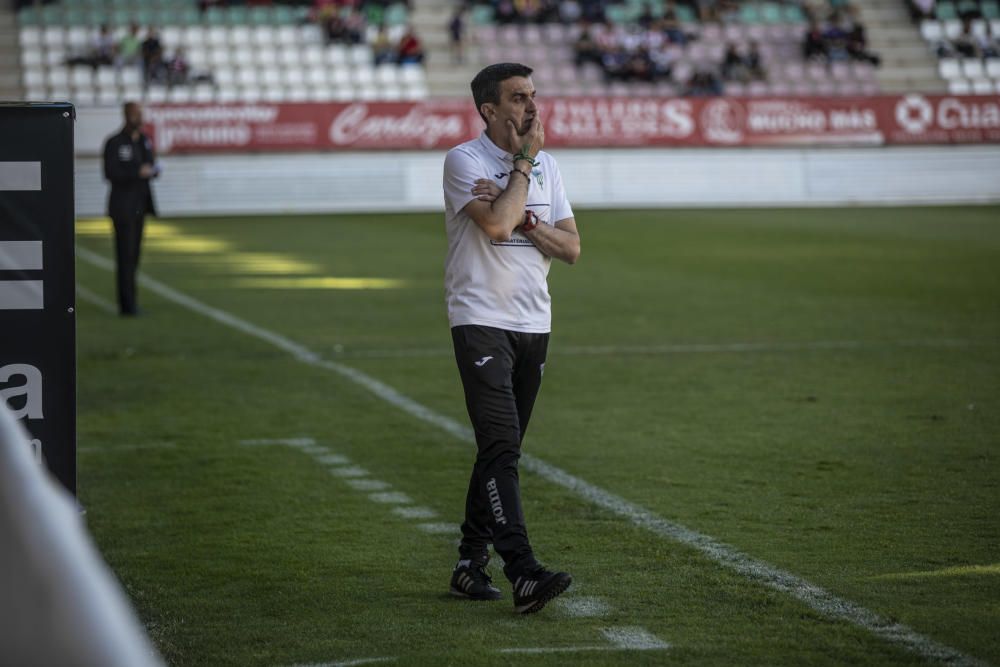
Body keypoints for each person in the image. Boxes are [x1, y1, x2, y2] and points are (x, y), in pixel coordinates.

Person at [441, 63, 580, 614]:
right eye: (518, 97)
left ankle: (469, 564)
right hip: (479, 317)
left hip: (533, 323)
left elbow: (569, 249)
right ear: (489, 110)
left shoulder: (549, 166)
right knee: (501, 447)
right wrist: (520, 172)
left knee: (502, 448)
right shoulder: (464, 161)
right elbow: (495, 225)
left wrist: (525, 219)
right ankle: (522, 571)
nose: (532, 107)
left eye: (534, 95)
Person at [102, 102, 159, 316]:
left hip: (140, 207)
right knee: (125, 256)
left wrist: (152, 171)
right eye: (136, 114)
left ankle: (131, 300)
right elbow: (110, 173)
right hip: (122, 208)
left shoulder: (144, 141)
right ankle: (127, 305)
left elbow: (151, 165)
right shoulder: (114, 143)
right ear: (127, 116)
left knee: (134, 256)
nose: (140, 118)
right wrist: (137, 172)